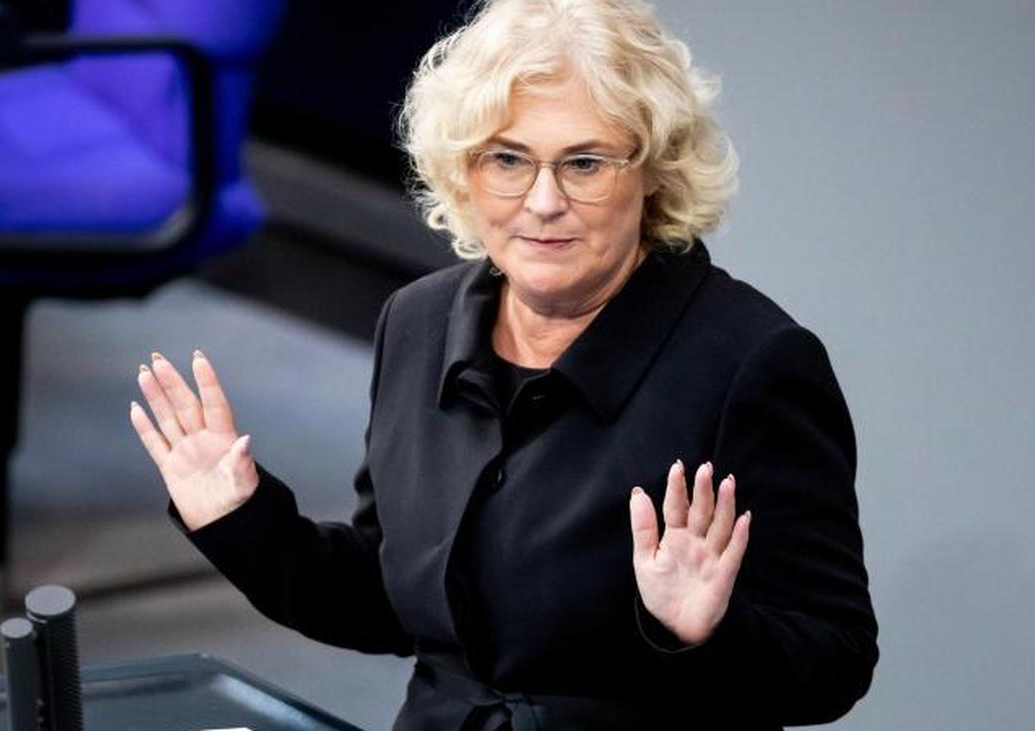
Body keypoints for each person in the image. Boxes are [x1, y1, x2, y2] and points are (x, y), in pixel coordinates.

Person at [129, 0, 878, 728]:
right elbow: (390, 598)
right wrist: (238, 518)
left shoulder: (752, 362)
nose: (544, 201)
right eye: (508, 159)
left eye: (585, 163)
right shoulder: (418, 321)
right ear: (464, 170)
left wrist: (707, 632)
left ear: (653, 171)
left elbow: (836, 660)